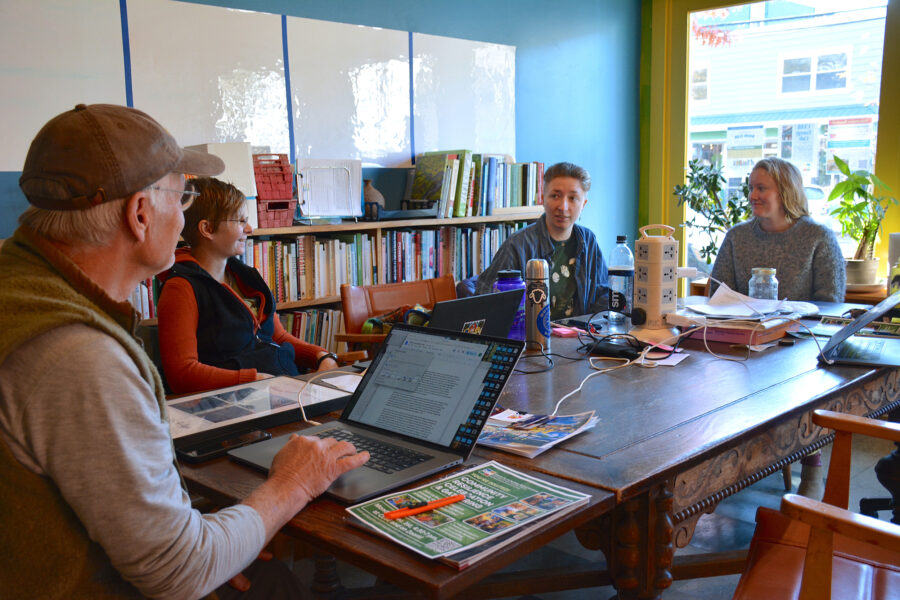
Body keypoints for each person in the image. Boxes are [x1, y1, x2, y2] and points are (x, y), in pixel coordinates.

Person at [0, 104, 368, 599]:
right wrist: (294, 484)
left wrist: (213, 533)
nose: (186, 214)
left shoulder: (19, 290)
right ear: (139, 213)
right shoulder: (77, 356)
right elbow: (179, 573)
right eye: (184, 194)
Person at [157, 177, 338, 394]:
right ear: (207, 229)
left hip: (281, 390)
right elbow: (182, 375)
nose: (250, 228)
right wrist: (254, 380)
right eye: (240, 221)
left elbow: (276, 337)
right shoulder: (181, 289)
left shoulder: (245, 277)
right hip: (238, 404)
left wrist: (321, 356)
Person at [475, 162, 609, 320]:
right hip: (529, 338)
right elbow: (484, 299)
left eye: (573, 198)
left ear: (583, 204)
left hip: (579, 338)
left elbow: (603, 295)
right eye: (555, 196)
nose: (563, 206)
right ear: (543, 198)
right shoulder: (518, 245)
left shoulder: (588, 240)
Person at [710, 157, 846, 302]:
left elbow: (830, 304)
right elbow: (720, 299)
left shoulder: (819, 237)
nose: (752, 196)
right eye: (751, 188)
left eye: (761, 188)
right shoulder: (736, 237)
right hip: (743, 324)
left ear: (785, 192)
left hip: (803, 325)